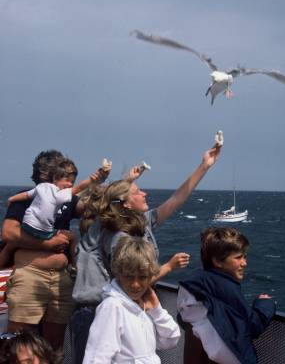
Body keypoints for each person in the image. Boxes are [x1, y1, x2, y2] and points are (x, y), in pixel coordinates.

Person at [69, 144, 221, 364]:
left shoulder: (142, 222)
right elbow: (129, 280)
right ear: (126, 204)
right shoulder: (116, 236)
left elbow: (176, 200)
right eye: (137, 191)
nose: (144, 193)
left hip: (127, 308)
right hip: (97, 314)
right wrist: (168, 267)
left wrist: (204, 166)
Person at [1, 150, 109, 350]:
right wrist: (47, 244)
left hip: (61, 279)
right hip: (30, 274)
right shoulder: (28, 197)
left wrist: (100, 183)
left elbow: (90, 209)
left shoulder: (68, 199)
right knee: (19, 344)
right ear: (46, 173)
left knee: (54, 345)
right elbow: (8, 233)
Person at [177, 227, 276, 364]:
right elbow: (252, 326)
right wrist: (265, 305)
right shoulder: (225, 287)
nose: (244, 263)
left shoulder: (196, 283)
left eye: (245, 257)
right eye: (238, 257)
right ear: (217, 261)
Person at [83, 235, 180, 363]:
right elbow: (96, 358)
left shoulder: (144, 307)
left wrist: (157, 311)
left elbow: (171, 340)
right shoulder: (112, 307)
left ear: (151, 275)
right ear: (118, 273)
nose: (135, 284)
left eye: (142, 277)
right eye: (129, 277)